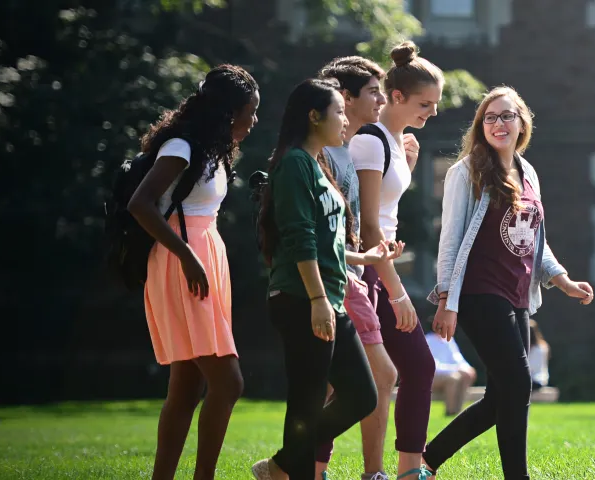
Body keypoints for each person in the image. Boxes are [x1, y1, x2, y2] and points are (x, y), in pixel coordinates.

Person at [423, 86, 595, 479]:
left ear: (522, 123)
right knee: (518, 384)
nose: (498, 124)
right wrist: (447, 299)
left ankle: (427, 461)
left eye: (506, 116)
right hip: (478, 292)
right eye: (489, 117)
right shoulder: (466, 172)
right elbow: (449, 239)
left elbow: (535, 238)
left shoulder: (528, 172)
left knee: (504, 394)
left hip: (518, 296)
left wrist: (563, 280)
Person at [250, 78, 403, 480]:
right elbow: (299, 237)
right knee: (307, 399)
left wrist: (363, 256)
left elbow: (324, 240)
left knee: (361, 395)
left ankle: (281, 466)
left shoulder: (316, 163)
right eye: (338, 112)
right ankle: (290, 470)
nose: (345, 122)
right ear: (313, 116)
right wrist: (318, 300)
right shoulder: (294, 163)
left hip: (328, 297)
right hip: (303, 299)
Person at [126, 64, 259, 480]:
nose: (253, 121)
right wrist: (186, 256)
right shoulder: (181, 147)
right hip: (181, 262)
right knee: (228, 382)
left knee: (186, 385)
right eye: (249, 112)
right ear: (226, 111)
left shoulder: (212, 150)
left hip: (204, 257)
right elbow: (140, 204)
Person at [350, 40, 441, 480]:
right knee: (345, 380)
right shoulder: (369, 142)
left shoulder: (393, 141)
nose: (434, 112)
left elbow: (385, 215)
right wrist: (398, 291)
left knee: (417, 366)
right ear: (398, 97)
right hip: (364, 269)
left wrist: (404, 159)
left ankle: (408, 470)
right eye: (426, 103)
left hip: (378, 265)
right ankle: (307, 467)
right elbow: (368, 228)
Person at [313, 56, 399, 480]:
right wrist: (361, 261)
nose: (381, 99)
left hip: (350, 273)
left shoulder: (349, 148)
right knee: (381, 375)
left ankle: (305, 467)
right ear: (345, 98)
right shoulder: (320, 154)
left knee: (339, 382)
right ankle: (371, 473)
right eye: (372, 92)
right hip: (337, 277)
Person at [425, 332, 478, 416]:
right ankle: (450, 412)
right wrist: (456, 369)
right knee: (453, 378)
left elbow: (457, 358)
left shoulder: (448, 340)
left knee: (467, 375)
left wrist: (466, 368)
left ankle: (459, 413)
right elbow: (434, 366)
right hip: (431, 378)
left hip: (450, 373)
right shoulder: (428, 340)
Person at [527, 320, 550, 391]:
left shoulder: (532, 348)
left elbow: (530, 367)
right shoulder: (544, 345)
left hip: (534, 380)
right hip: (542, 379)